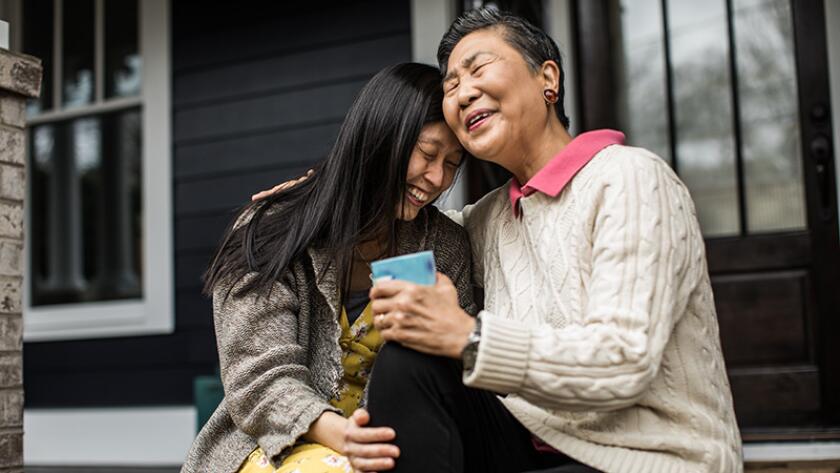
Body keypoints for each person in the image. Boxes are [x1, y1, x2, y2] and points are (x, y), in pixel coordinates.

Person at [358, 9, 742, 473]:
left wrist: (468, 337)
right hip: (529, 448)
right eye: (451, 85)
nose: (463, 93)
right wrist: (310, 197)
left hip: (649, 459)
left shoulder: (630, 178)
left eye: (478, 69)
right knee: (408, 363)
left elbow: (624, 363)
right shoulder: (488, 218)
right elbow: (397, 215)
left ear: (548, 78)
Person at [180, 63, 477, 473]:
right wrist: (346, 437)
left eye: (452, 163)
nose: (437, 178)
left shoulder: (444, 248)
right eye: (427, 154)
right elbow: (259, 380)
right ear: (379, 137)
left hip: (397, 445)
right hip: (270, 446)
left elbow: (449, 377)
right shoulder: (271, 230)